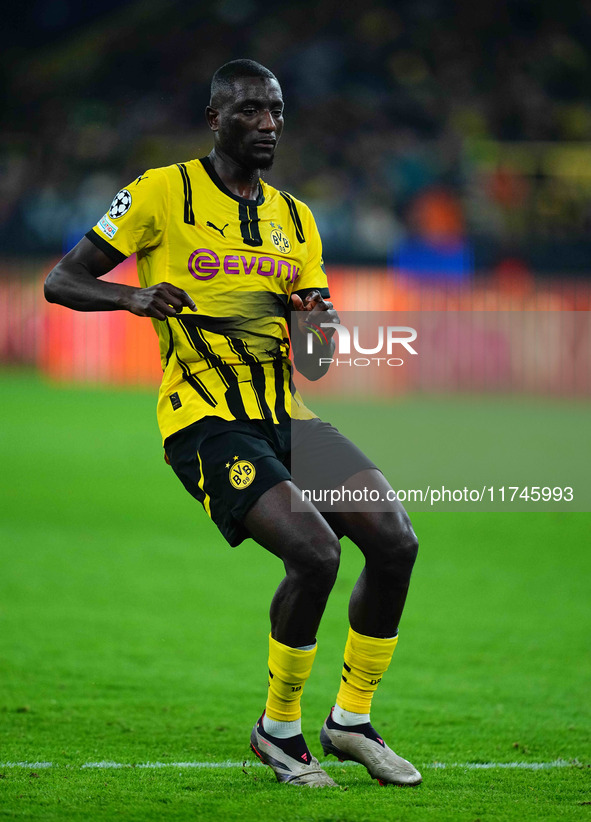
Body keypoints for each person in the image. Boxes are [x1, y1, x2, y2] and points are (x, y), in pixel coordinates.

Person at [44, 59, 421, 789]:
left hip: (286, 416)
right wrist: (131, 298)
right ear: (215, 119)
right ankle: (278, 730)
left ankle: (350, 721)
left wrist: (321, 329)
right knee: (314, 555)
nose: (268, 124)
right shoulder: (160, 191)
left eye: (276, 111)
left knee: (394, 540)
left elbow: (312, 363)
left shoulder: (295, 219)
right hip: (205, 420)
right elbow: (63, 280)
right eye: (250, 111)